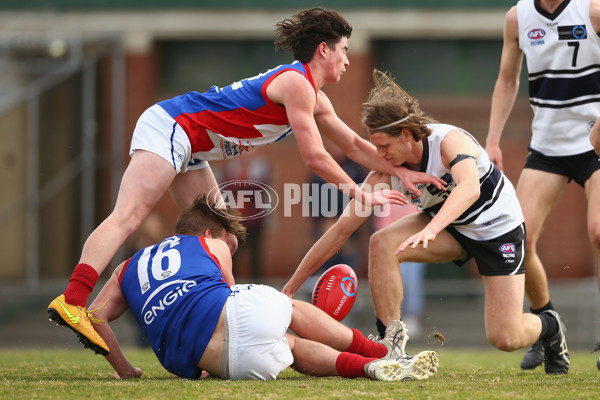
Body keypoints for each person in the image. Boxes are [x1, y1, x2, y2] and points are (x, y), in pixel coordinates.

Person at [46, 7, 444, 355]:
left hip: (192, 149)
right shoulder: (297, 85)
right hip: (171, 126)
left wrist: (403, 170)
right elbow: (315, 156)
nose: (347, 60)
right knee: (130, 216)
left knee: (226, 238)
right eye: (343, 50)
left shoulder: (314, 97)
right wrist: (358, 191)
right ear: (324, 49)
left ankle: (222, 326)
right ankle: (73, 299)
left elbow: (357, 146)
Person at [282, 70, 571, 375]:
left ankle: (550, 325)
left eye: (383, 147)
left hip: (496, 230)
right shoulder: (386, 169)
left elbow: (469, 189)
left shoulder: (449, 142)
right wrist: (291, 286)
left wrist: (432, 229)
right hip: (451, 229)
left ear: (407, 134)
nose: (377, 155)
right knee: (381, 242)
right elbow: (342, 229)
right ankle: (390, 343)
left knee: (505, 337)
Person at [75, 195, 439, 381]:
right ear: (207, 233)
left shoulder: (125, 268)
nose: (230, 246)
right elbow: (231, 295)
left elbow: (93, 317)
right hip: (232, 314)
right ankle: (378, 351)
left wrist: (126, 370)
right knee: (289, 309)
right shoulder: (210, 244)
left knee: (290, 348)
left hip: (215, 361)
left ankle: (369, 370)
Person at [484, 0, 600, 370]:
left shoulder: (592, 10)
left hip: (596, 142)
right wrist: (492, 140)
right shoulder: (518, 18)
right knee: (518, 237)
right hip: (548, 147)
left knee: (599, 232)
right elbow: (506, 80)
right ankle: (549, 327)